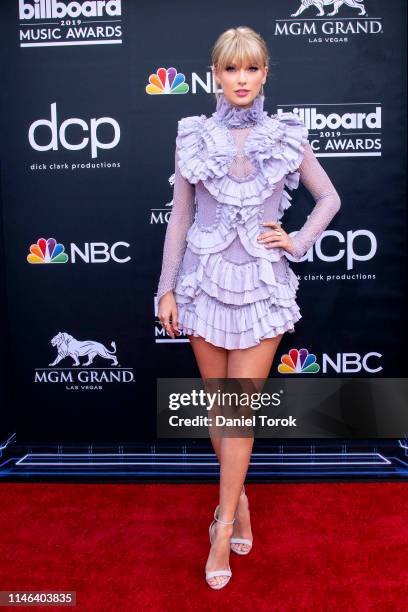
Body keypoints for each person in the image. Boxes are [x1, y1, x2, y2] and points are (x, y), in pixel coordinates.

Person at [156, 26, 341, 589]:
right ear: (216, 75)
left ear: (264, 74)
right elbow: (181, 217)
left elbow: (329, 197)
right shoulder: (192, 135)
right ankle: (240, 500)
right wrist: (165, 288)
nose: (242, 79)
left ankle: (221, 525)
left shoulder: (285, 136)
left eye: (252, 69)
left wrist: (298, 239)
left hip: (263, 285)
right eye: (232, 69)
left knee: (238, 412)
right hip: (202, 284)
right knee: (219, 413)